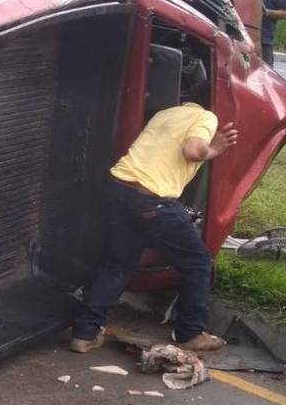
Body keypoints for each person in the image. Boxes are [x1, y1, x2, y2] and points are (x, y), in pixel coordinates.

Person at [70, 65, 238, 355]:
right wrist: (217, 148)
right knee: (197, 261)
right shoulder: (206, 116)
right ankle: (191, 332)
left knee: (116, 264)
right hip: (152, 199)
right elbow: (193, 151)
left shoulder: (166, 113)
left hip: (119, 186)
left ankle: (85, 334)